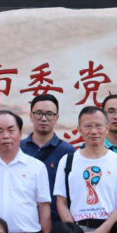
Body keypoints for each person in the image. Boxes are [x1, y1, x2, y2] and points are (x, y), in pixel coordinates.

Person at [20, 93, 76, 222]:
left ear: (56, 118)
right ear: (31, 116)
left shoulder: (68, 151)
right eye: (39, 113)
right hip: (25, 222)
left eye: (49, 114)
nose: (44, 118)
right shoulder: (19, 149)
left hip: (58, 223)